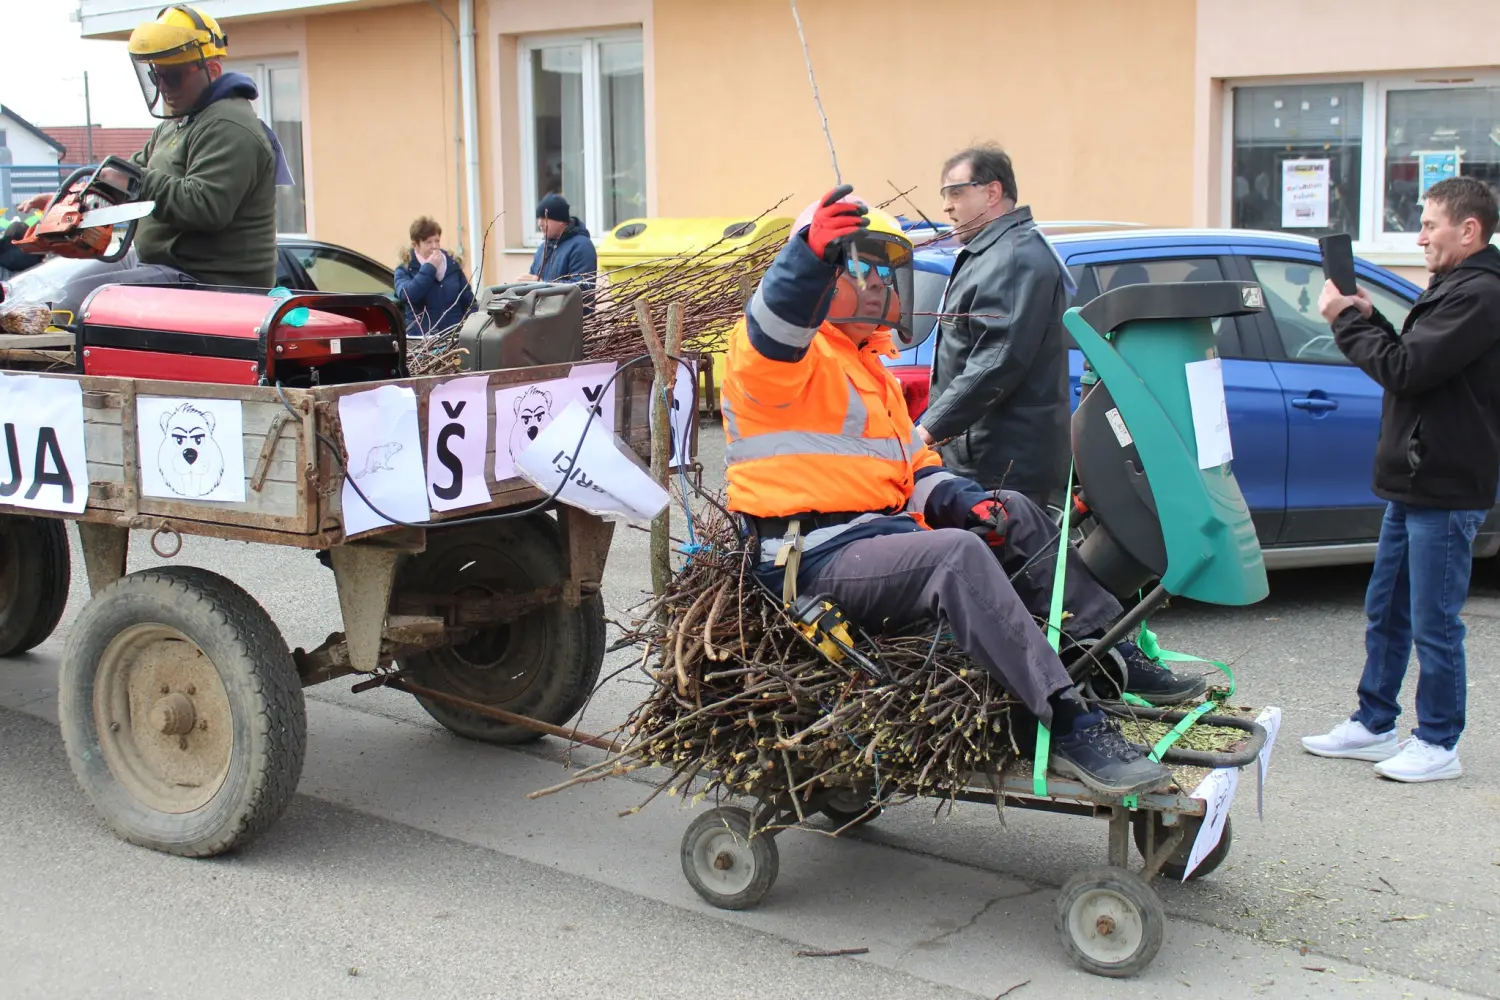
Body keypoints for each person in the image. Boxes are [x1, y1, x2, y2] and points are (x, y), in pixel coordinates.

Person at [720, 184, 1207, 798]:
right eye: (860, 264)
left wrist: (966, 501)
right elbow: (775, 319)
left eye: (886, 269)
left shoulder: (869, 369)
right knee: (954, 556)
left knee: (1020, 513)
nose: (879, 282)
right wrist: (806, 260)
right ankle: (1065, 723)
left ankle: (1106, 656)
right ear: (822, 272)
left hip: (877, 539)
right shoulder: (772, 357)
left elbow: (916, 470)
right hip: (809, 557)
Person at [1302, 177, 1500, 783]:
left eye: (1429, 225)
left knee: (1435, 621)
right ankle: (1374, 722)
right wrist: (1370, 315)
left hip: (1444, 485)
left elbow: (1406, 370)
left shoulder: (1482, 295)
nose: (1419, 237)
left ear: (1468, 231)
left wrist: (1344, 323)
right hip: (1415, 482)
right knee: (1387, 610)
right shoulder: (1454, 288)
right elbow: (1418, 360)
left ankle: (1439, 742)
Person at [19, 4, 288, 288]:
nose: (163, 86)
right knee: (51, 284)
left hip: (209, 282)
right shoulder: (178, 123)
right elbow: (124, 176)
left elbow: (205, 207)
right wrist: (68, 203)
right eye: (155, 76)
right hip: (165, 266)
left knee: (81, 297)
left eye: (172, 76)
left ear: (212, 69)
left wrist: (137, 182)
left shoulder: (230, 125)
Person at [919, 144, 1072, 508]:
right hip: (984, 458)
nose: (946, 206)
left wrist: (929, 428)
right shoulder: (993, 252)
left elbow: (998, 357)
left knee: (1009, 563)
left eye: (955, 192)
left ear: (992, 192)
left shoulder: (1014, 256)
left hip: (1003, 467)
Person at [394, 216, 475, 338]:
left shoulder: (452, 266)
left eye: (437, 240)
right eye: (428, 242)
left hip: (454, 337)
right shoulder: (405, 269)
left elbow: (469, 301)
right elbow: (408, 295)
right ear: (415, 245)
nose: (435, 246)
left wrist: (470, 331)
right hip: (422, 342)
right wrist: (429, 268)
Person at [519, 194, 597, 308]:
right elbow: (534, 279)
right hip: (542, 318)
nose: (539, 224)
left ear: (561, 221)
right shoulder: (543, 248)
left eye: (544, 218)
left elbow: (583, 288)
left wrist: (543, 286)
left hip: (571, 322)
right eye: (538, 218)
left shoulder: (582, 246)